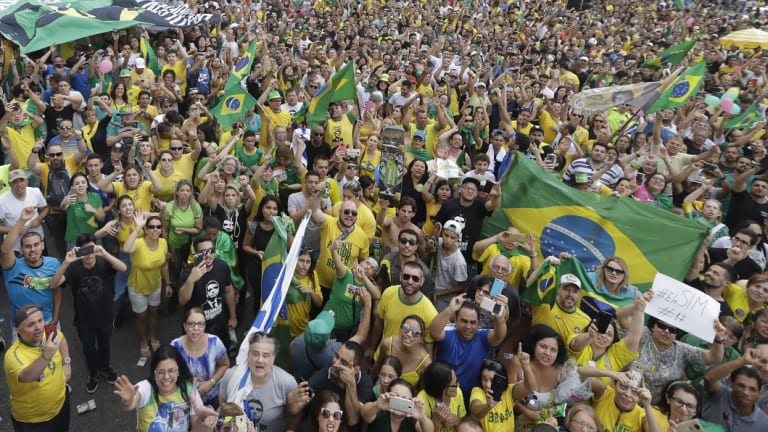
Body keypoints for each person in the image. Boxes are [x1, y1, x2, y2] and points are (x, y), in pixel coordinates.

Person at [50, 234, 125, 394]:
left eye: (91, 249)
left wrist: (104, 253)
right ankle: (93, 373)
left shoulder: (104, 262)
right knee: (89, 348)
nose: (88, 254)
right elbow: (54, 284)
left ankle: (105, 368)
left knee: (105, 345)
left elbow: (123, 268)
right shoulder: (74, 268)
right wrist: (66, 262)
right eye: (84, 251)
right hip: (84, 320)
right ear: (78, 252)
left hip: (105, 315)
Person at [113, 344, 215, 432]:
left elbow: (196, 429)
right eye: (161, 372)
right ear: (154, 373)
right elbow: (130, 405)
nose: (166, 377)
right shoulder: (146, 388)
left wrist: (205, 423)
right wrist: (128, 400)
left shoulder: (188, 389)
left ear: (178, 371)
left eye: (171, 370)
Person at [219, 332, 307, 430]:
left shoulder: (287, 383)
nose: (260, 360)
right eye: (255, 354)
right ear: (248, 355)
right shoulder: (232, 376)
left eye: (266, 355)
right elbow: (222, 399)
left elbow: (296, 413)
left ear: (274, 358)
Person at [5, 304, 72, 432]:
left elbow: (61, 339)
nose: (38, 328)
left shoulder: (47, 334)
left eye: (40, 321)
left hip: (61, 406)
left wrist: (67, 362)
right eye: (31, 325)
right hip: (34, 422)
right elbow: (28, 376)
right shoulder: (13, 355)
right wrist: (46, 355)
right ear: (18, 330)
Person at [637, 316, 727, 405]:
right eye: (662, 326)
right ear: (653, 326)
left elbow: (714, 357)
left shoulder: (682, 350)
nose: (666, 331)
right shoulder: (643, 334)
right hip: (627, 396)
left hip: (656, 408)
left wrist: (718, 339)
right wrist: (639, 306)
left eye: (672, 330)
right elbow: (622, 318)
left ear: (677, 334)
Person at [430, 295, 508, 397]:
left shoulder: (481, 336)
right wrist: (449, 310)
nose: (468, 326)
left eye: (473, 322)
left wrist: (500, 318)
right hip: (442, 395)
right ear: (456, 320)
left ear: (478, 323)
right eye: (464, 321)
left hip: (469, 398)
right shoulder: (448, 331)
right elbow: (434, 331)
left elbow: (499, 336)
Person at [1, 206, 62, 336]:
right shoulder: (13, 266)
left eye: (36, 245)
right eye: (27, 246)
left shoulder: (54, 263)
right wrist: (22, 220)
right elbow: (5, 250)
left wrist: (55, 318)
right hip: (22, 327)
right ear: (21, 250)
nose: (33, 249)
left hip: (48, 322)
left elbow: (57, 290)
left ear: (43, 245)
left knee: (53, 355)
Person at [368, 262, 439, 363]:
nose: (410, 282)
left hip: (406, 367)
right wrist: (372, 347)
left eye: (415, 278)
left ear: (422, 281)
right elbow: (379, 323)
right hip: (382, 358)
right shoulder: (388, 293)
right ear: (400, 276)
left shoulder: (430, 312)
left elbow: (428, 349)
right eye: (406, 277)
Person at [123, 212, 170, 358]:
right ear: (146, 229)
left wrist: (168, 283)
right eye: (151, 227)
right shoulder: (138, 243)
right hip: (137, 286)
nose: (155, 230)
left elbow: (164, 266)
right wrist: (137, 227)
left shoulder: (163, 243)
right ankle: (143, 341)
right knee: (141, 316)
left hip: (155, 285)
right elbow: (126, 248)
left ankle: (153, 336)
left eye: (158, 227)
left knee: (153, 312)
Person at [178, 235, 237, 348]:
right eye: (204, 252)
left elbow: (229, 292)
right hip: (197, 328)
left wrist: (233, 317)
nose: (209, 255)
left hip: (220, 324)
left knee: (221, 352)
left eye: (211, 250)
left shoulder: (222, 266)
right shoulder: (188, 273)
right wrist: (191, 279)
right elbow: (182, 300)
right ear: (196, 255)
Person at [308, 340, 376, 428]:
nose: (336, 364)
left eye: (343, 363)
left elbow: (353, 421)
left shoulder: (365, 383)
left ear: (355, 370)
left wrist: (350, 384)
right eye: (336, 356)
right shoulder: (321, 378)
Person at [171, 308, 230, 408]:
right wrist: (186, 381)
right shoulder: (175, 346)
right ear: (185, 326)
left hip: (213, 395)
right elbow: (170, 373)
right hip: (186, 397)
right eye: (191, 324)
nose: (196, 328)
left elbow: (225, 365)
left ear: (204, 326)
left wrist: (211, 382)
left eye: (200, 324)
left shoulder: (215, 342)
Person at [702, 347, 768, 432]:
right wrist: (743, 360)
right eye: (741, 386)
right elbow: (709, 378)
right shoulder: (720, 394)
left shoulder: (764, 423)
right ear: (730, 383)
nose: (745, 392)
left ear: (760, 394)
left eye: (752, 390)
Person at [470, 356, 535, 432]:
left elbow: (530, 387)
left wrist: (526, 366)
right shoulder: (477, 391)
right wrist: (488, 406)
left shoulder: (509, 391)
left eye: (492, 380)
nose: (487, 384)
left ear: (502, 380)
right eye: (484, 379)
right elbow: (476, 412)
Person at [373, 315, 432, 389]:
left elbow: (422, 390)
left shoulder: (425, 363)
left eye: (416, 333)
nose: (409, 334)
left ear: (421, 338)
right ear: (400, 329)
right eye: (406, 328)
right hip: (381, 389)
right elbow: (377, 366)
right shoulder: (388, 344)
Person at [531, 273, 592, 343]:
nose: (570, 294)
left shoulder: (585, 321)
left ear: (579, 294)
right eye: (566, 289)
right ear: (558, 289)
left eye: (575, 291)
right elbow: (532, 280)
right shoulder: (543, 303)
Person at [0, 169, 48, 251]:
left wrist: (39, 219)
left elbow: (45, 208)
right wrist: (15, 230)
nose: (19, 184)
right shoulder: (2, 201)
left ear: (26, 181)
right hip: (16, 246)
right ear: (9, 184)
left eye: (21, 180)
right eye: (14, 182)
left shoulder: (35, 192)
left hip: (37, 242)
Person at [362, 378, 434, 432]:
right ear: (389, 395)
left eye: (404, 398)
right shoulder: (380, 410)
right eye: (396, 397)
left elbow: (429, 431)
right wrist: (376, 405)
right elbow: (364, 413)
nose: (400, 402)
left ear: (411, 400)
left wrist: (422, 417)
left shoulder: (412, 419)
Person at [652, 381, 724, 432]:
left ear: (695, 411)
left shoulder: (712, 429)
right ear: (668, 398)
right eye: (679, 402)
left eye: (690, 406)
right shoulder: (653, 415)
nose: (683, 409)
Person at [416, 361, 466, 432]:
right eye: (454, 384)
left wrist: (456, 420)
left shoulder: (458, 392)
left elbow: (463, 420)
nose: (458, 386)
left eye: (456, 381)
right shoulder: (421, 401)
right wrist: (436, 422)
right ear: (442, 388)